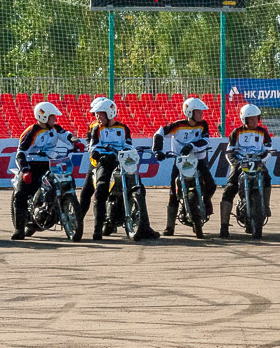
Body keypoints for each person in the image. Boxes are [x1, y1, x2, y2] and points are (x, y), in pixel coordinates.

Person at [80, 97, 159, 241]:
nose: (97, 116)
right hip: (103, 162)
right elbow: (93, 145)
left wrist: (130, 152)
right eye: (96, 114)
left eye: (100, 113)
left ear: (110, 114)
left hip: (122, 161)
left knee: (139, 186)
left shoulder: (123, 128)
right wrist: (97, 154)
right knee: (101, 188)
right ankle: (96, 228)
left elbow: (128, 144)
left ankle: (145, 226)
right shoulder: (95, 128)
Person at [12, 102, 83, 240]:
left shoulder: (55, 128)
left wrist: (76, 142)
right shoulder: (31, 131)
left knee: (68, 179)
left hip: (51, 163)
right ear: (43, 116)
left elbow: (67, 135)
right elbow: (20, 153)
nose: (54, 119)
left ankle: (62, 202)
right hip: (32, 165)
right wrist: (25, 170)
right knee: (21, 193)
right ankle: (19, 229)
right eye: (52, 117)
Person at [153, 97, 217, 238]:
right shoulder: (178, 125)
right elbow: (159, 132)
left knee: (211, 184)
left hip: (198, 160)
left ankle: (206, 202)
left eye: (201, 112)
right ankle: (170, 227)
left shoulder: (203, 125)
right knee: (173, 192)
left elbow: (206, 140)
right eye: (198, 112)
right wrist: (157, 150)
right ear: (189, 112)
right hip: (180, 162)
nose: (201, 114)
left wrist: (192, 146)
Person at [219, 103, 273, 238]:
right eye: (251, 119)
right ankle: (224, 226)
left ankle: (265, 206)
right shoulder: (236, 132)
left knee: (267, 179)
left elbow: (268, 149)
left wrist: (262, 159)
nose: (254, 121)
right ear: (244, 119)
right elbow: (229, 152)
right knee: (229, 189)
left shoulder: (263, 132)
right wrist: (236, 163)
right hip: (240, 164)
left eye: (256, 118)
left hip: (257, 163)